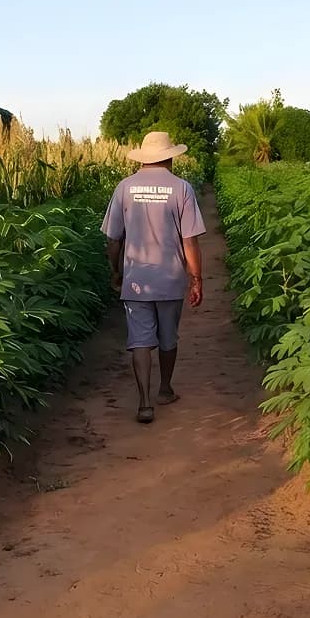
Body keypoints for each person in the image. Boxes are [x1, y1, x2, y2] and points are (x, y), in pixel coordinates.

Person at [101, 130, 206, 424]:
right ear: (170, 156)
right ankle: (164, 389)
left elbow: (113, 240)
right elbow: (190, 241)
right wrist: (196, 279)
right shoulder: (182, 188)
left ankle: (144, 403)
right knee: (168, 337)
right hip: (171, 278)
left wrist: (116, 270)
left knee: (140, 340)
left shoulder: (124, 187)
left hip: (136, 277)